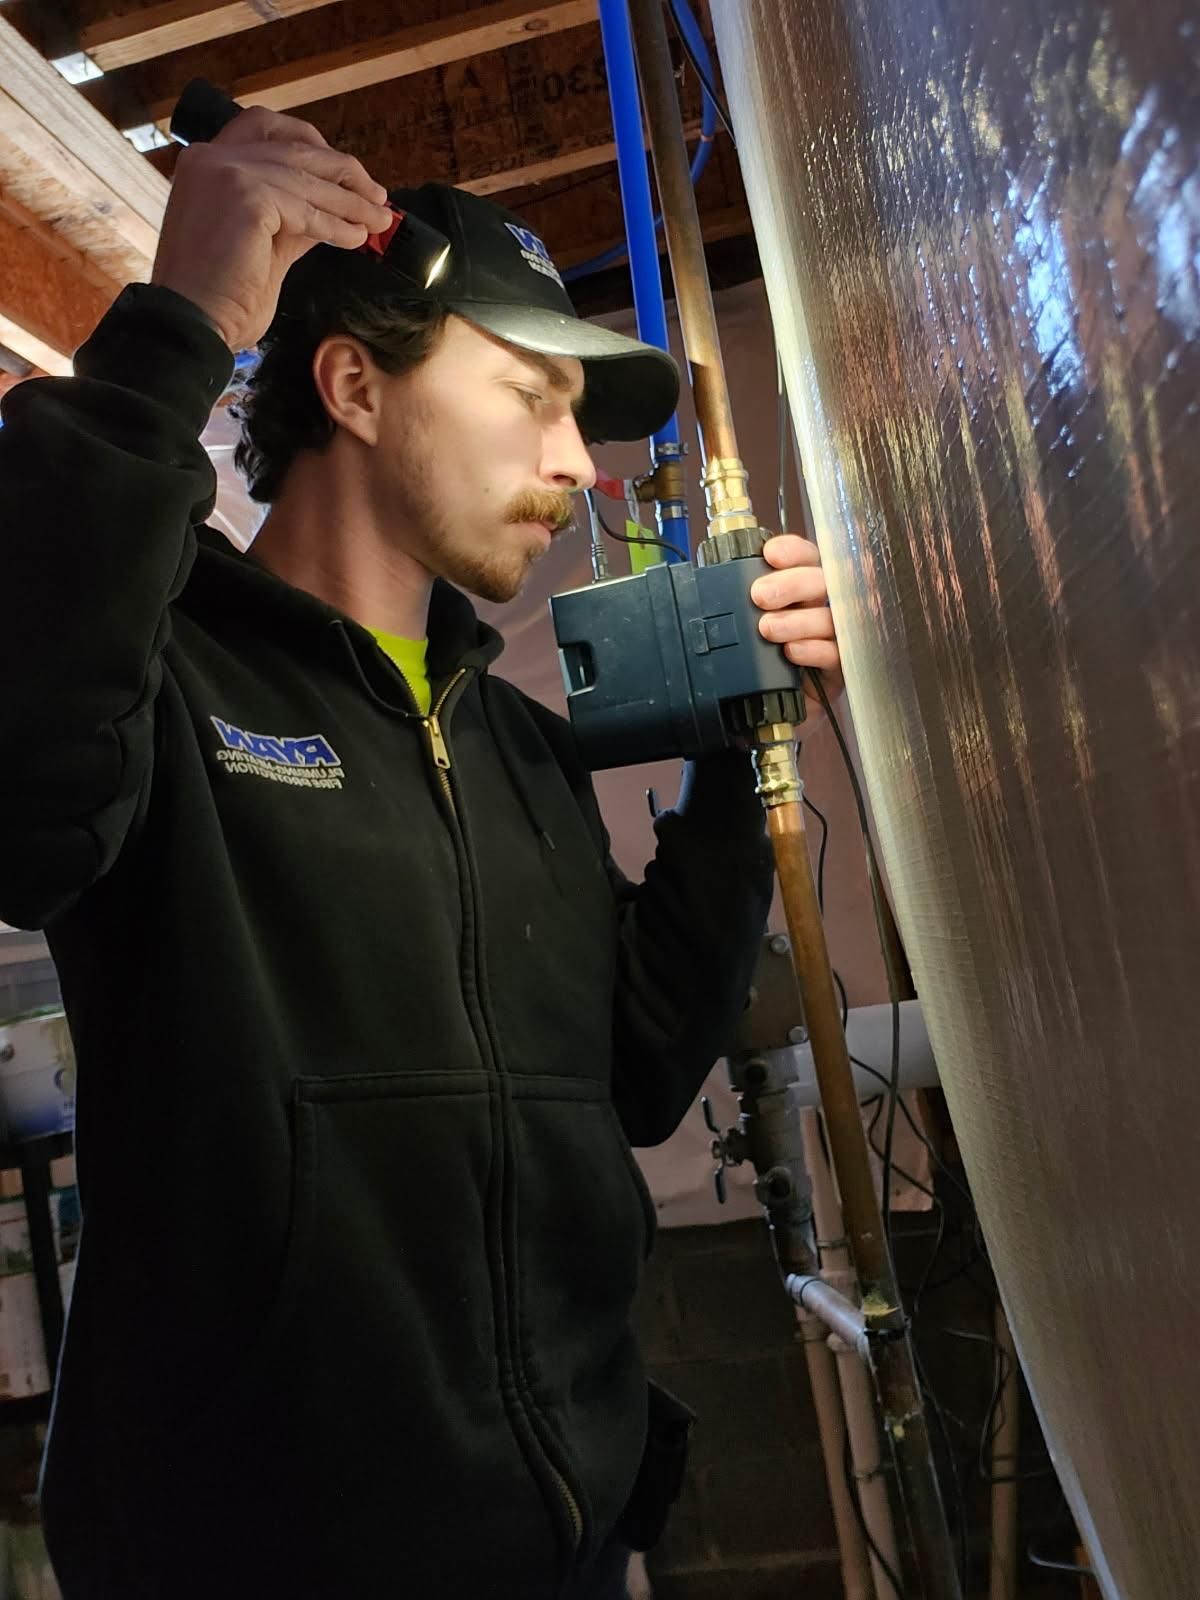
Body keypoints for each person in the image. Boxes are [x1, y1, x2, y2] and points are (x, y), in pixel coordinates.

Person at [0, 107, 842, 1598]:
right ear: (353, 385)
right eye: (530, 398)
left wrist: (736, 756)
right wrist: (179, 327)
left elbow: (638, 1073)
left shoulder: (512, 746)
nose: (579, 464)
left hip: (562, 1547)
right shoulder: (157, 678)